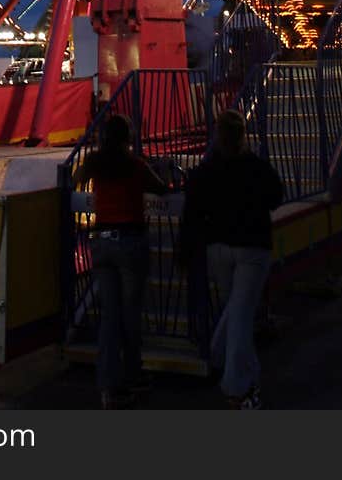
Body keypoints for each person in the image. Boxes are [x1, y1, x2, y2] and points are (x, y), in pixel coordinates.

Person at [180, 109, 284, 409]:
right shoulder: (256, 168)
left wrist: (187, 247)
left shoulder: (205, 172)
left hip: (218, 248)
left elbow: (193, 210)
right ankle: (236, 388)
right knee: (239, 314)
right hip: (252, 247)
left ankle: (222, 358)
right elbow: (276, 197)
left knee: (235, 310)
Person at [76, 113, 168, 409]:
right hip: (130, 241)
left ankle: (108, 386)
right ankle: (133, 373)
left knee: (110, 317)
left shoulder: (95, 163)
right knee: (130, 314)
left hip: (101, 242)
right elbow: (161, 188)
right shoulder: (135, 165)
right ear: (127, 137)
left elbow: (74, 179)